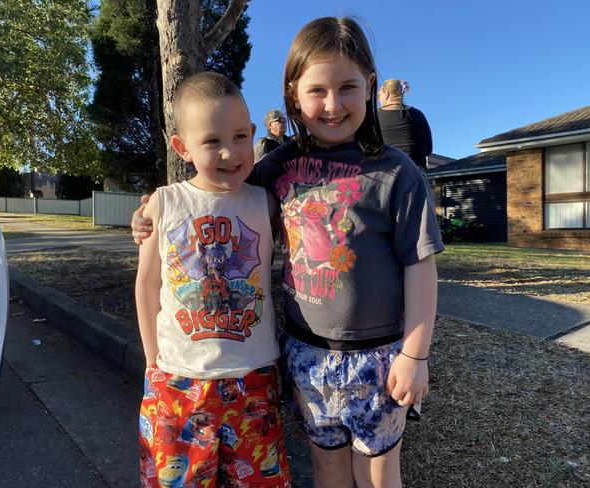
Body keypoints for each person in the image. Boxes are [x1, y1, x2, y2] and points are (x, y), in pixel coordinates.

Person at [133, 17, 443, 488]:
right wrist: (150, 215)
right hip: (305, 355)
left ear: (371, 86)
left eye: (348, 87)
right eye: (317, 90)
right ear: (293, 94)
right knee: (329, 469)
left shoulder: (398, 174)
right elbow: (211, 195)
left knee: (380, 474)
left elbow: (420, 266)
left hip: (378, 358)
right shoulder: (272, 168)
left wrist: (415, 356)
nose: (333, 104)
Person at [134, 71, 291, 487]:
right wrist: (152, 362)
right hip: (178, 381)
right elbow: (148, 285)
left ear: (255, 133)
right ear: (182, 147)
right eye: (212, 141)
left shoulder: (266, 203)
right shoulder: (164, 203)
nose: (230, 152)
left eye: (241, 136)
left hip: (254, 377)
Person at [378, 79, 433, 172]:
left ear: (386, 94)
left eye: (379, 95)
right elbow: (429, 149)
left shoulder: (375, 116)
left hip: (387, 174)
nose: (379, 100)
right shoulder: (418, 114)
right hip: (417, 174)